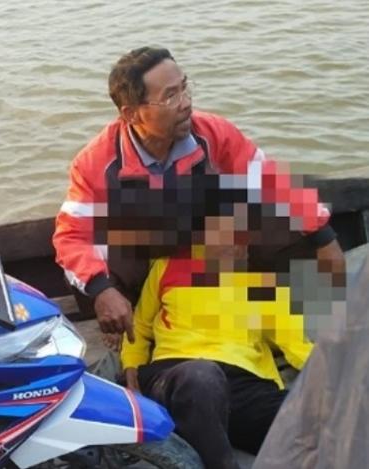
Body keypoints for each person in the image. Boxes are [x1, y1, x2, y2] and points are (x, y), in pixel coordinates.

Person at [52, 46, 345, 342]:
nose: (186, 103)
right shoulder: (95, 162)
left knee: (277, 219)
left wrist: (324, 238)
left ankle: (269, 309)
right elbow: (71, 237)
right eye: (170, 96)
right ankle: (135, 323)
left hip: (195, 247)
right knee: (97, 257)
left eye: (184, 87)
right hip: (139, 257)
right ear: (131, 114)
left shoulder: (213, 132)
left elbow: (270, 179)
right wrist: (102, 290)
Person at [121, 185, 314, 469]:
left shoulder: (264, 285)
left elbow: (298, 347)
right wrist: (131, 371)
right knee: (202, 377)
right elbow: (138, 328)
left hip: (243, 387)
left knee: (315, 424)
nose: (232, 242)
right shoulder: (167, 267)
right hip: (178, 377)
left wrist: (339, 380)